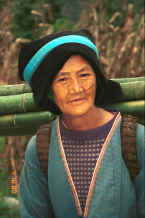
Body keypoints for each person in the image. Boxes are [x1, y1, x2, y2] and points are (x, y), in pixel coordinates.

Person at [18, 29, 145, 218]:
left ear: (97, 78)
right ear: (48, 90)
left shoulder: (136, 139)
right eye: (62, 79)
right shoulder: (39, 148)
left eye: (84, 75)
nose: (76, 89)